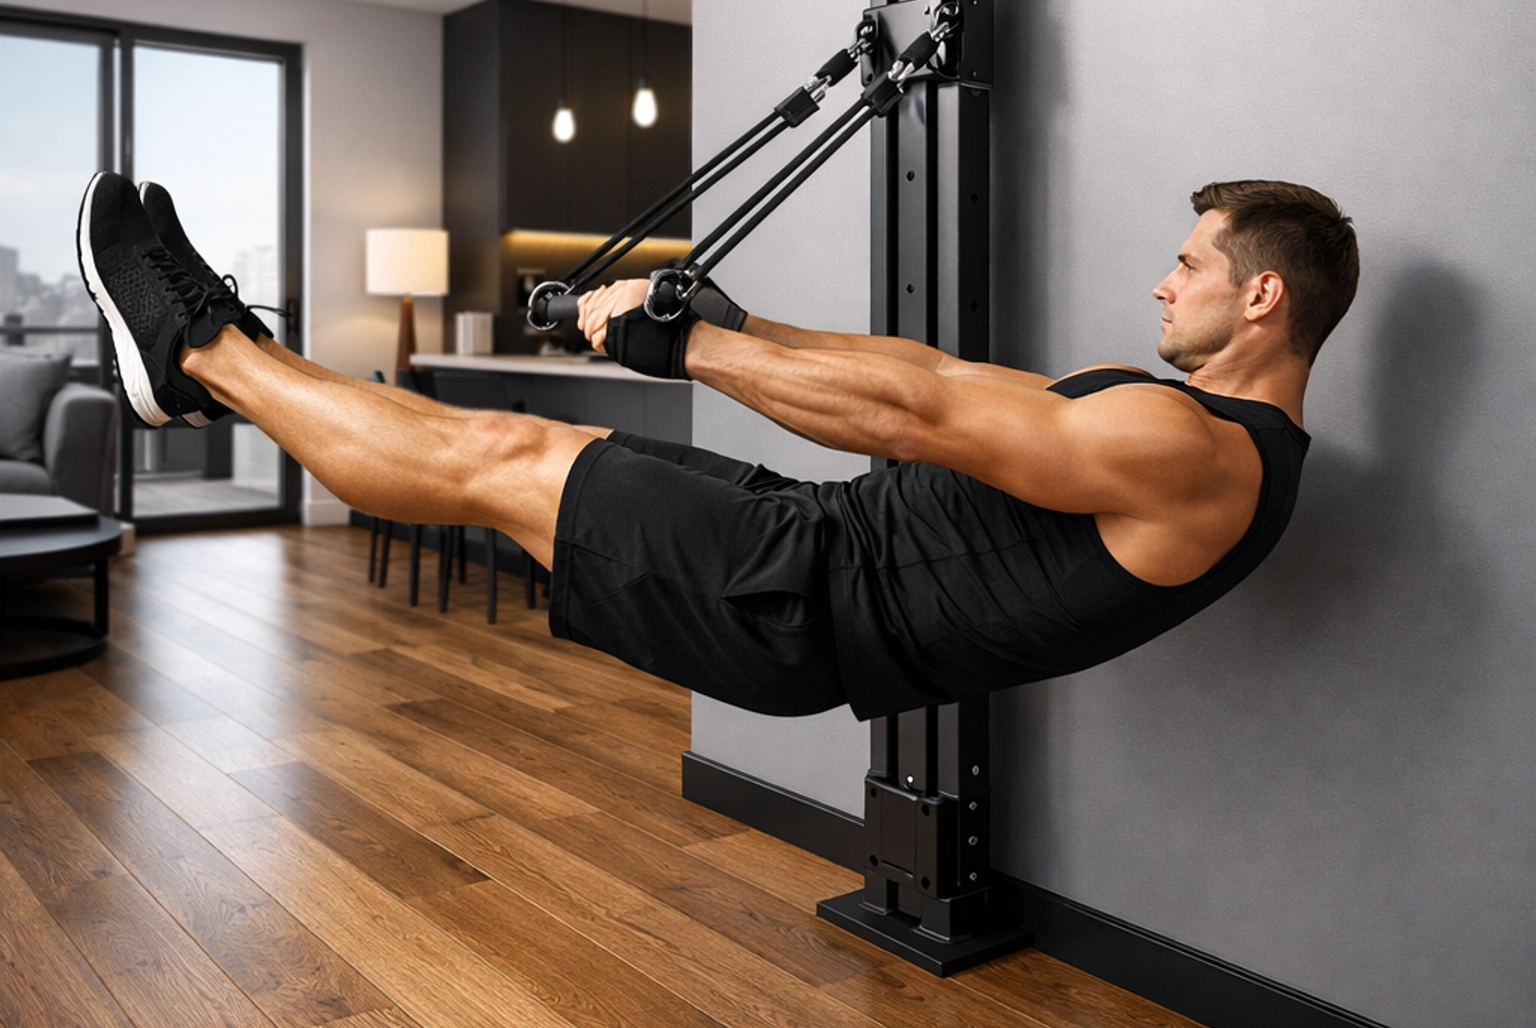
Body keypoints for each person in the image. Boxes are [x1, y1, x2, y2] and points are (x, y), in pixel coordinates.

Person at [76, 174, 1356, 720]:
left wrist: (690, 348)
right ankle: (219, 360)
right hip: (814, 541)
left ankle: (201, 353)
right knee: (515, 443)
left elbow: (913, 422)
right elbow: (934, 377)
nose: (1162, 284)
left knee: (497, 466)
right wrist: (732, 323)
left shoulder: (1207, 456)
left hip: (805, 605)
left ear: (1261, 297)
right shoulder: (1172, 419)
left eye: (1189, 265)